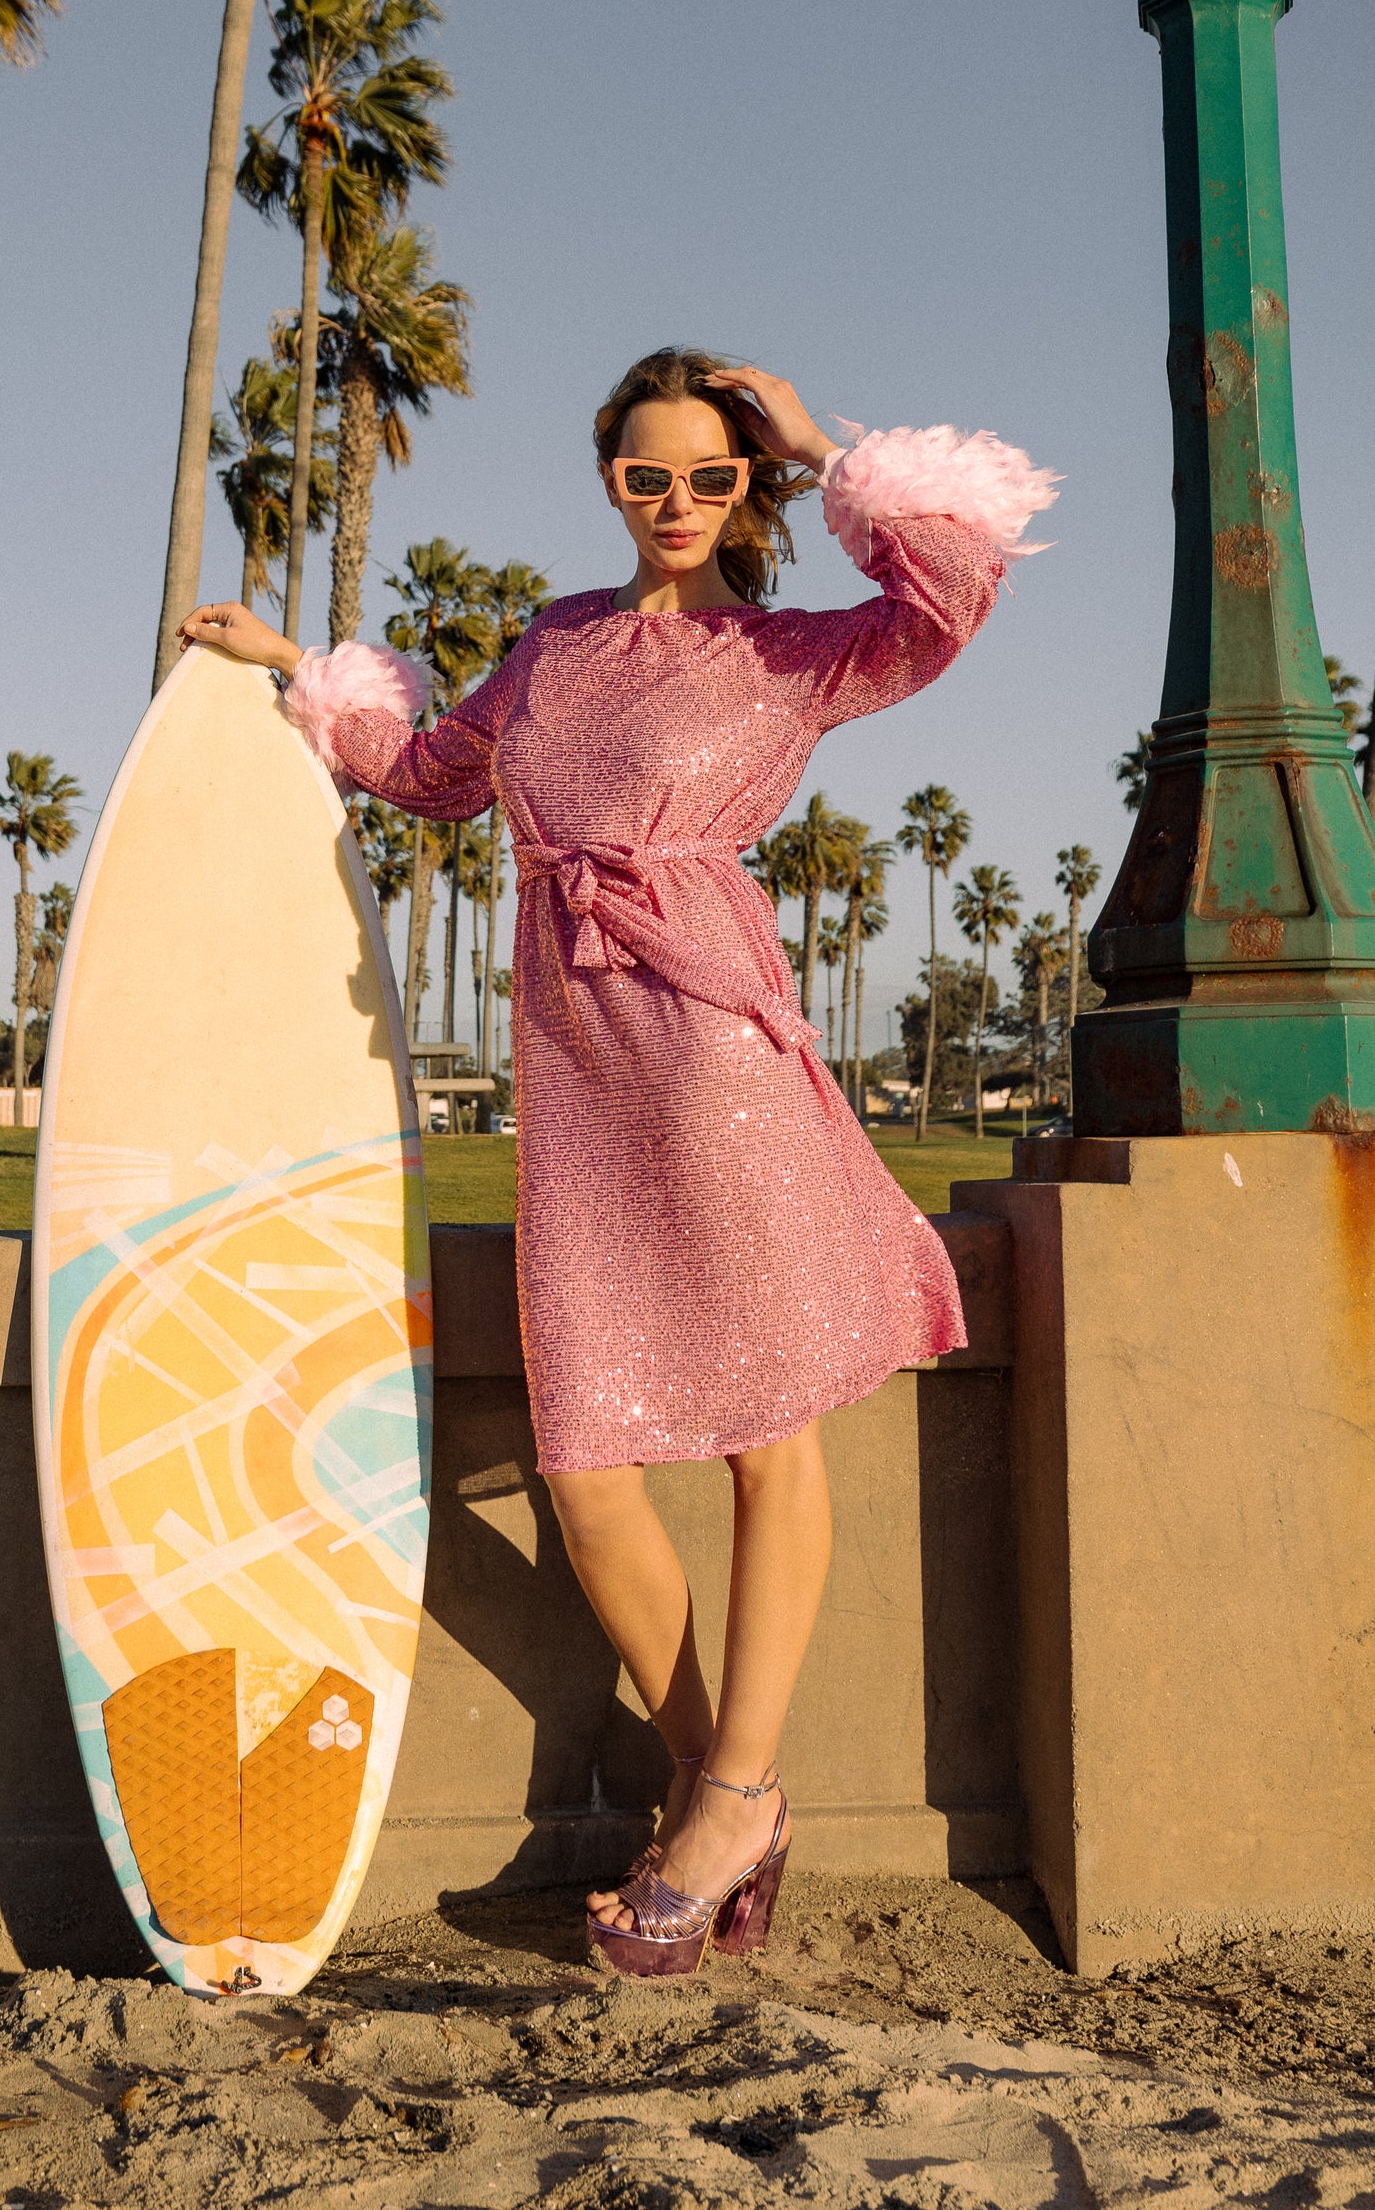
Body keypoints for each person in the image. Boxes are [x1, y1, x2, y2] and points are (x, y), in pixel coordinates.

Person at [179, 345, 1056, 1978]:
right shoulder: (554, 644)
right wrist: (289, 662)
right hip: (578, 1079)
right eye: (645, 474)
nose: (674, 503)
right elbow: (431, 775)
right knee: (588, 1472)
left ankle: (718, 1805)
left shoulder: (790, 651)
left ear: (751, 492)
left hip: (713, 1051)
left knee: (762, 1442)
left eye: (711, 477)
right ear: (606, 480)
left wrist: (815, 438)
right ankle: (731, 1785)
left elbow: (949, 595)